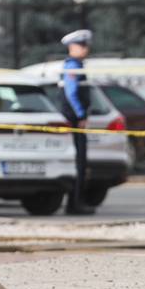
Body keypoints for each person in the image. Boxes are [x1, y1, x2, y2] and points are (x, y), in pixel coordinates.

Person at [60, 29, 93, 214]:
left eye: (86, 45)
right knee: (78, 163)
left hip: (74, 119)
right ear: (72, 47)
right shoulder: (72, 66)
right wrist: (81, 115)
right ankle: (74, 204)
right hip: (74, 120)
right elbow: (71, 93)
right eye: (82, 45)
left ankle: (77, 202)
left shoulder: (77, 65)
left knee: (80, 163)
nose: (85, 49)